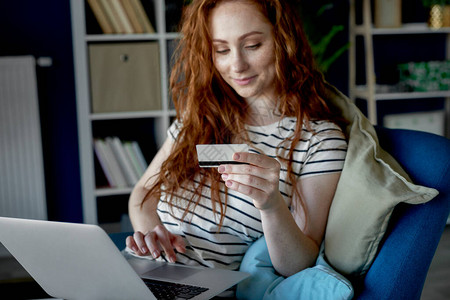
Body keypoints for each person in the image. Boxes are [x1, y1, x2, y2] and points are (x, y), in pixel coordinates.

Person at [126, 0, 347, 280]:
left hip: (200, 285)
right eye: (222, 50)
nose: (237, 65)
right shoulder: (197, 120)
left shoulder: (317, 141)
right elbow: (143, 195)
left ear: (284, 40)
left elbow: (298, 265)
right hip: (140, 271)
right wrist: (152, 238)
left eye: (253, 45)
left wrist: (271, 205)